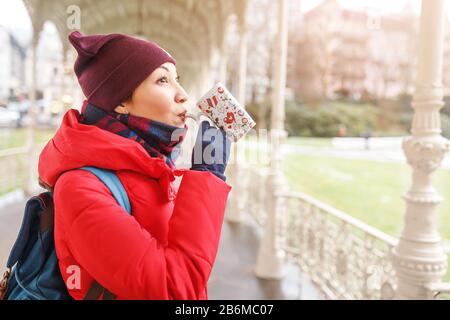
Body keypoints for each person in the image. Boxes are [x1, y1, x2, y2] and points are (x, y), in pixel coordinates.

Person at [37, 31, 232, 300]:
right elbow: (174, 289)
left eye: (178, 80)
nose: (183, 95)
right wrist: (207, 178)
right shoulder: (80, 188)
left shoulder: (154, 164)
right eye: (163, 80)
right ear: (120, 101)